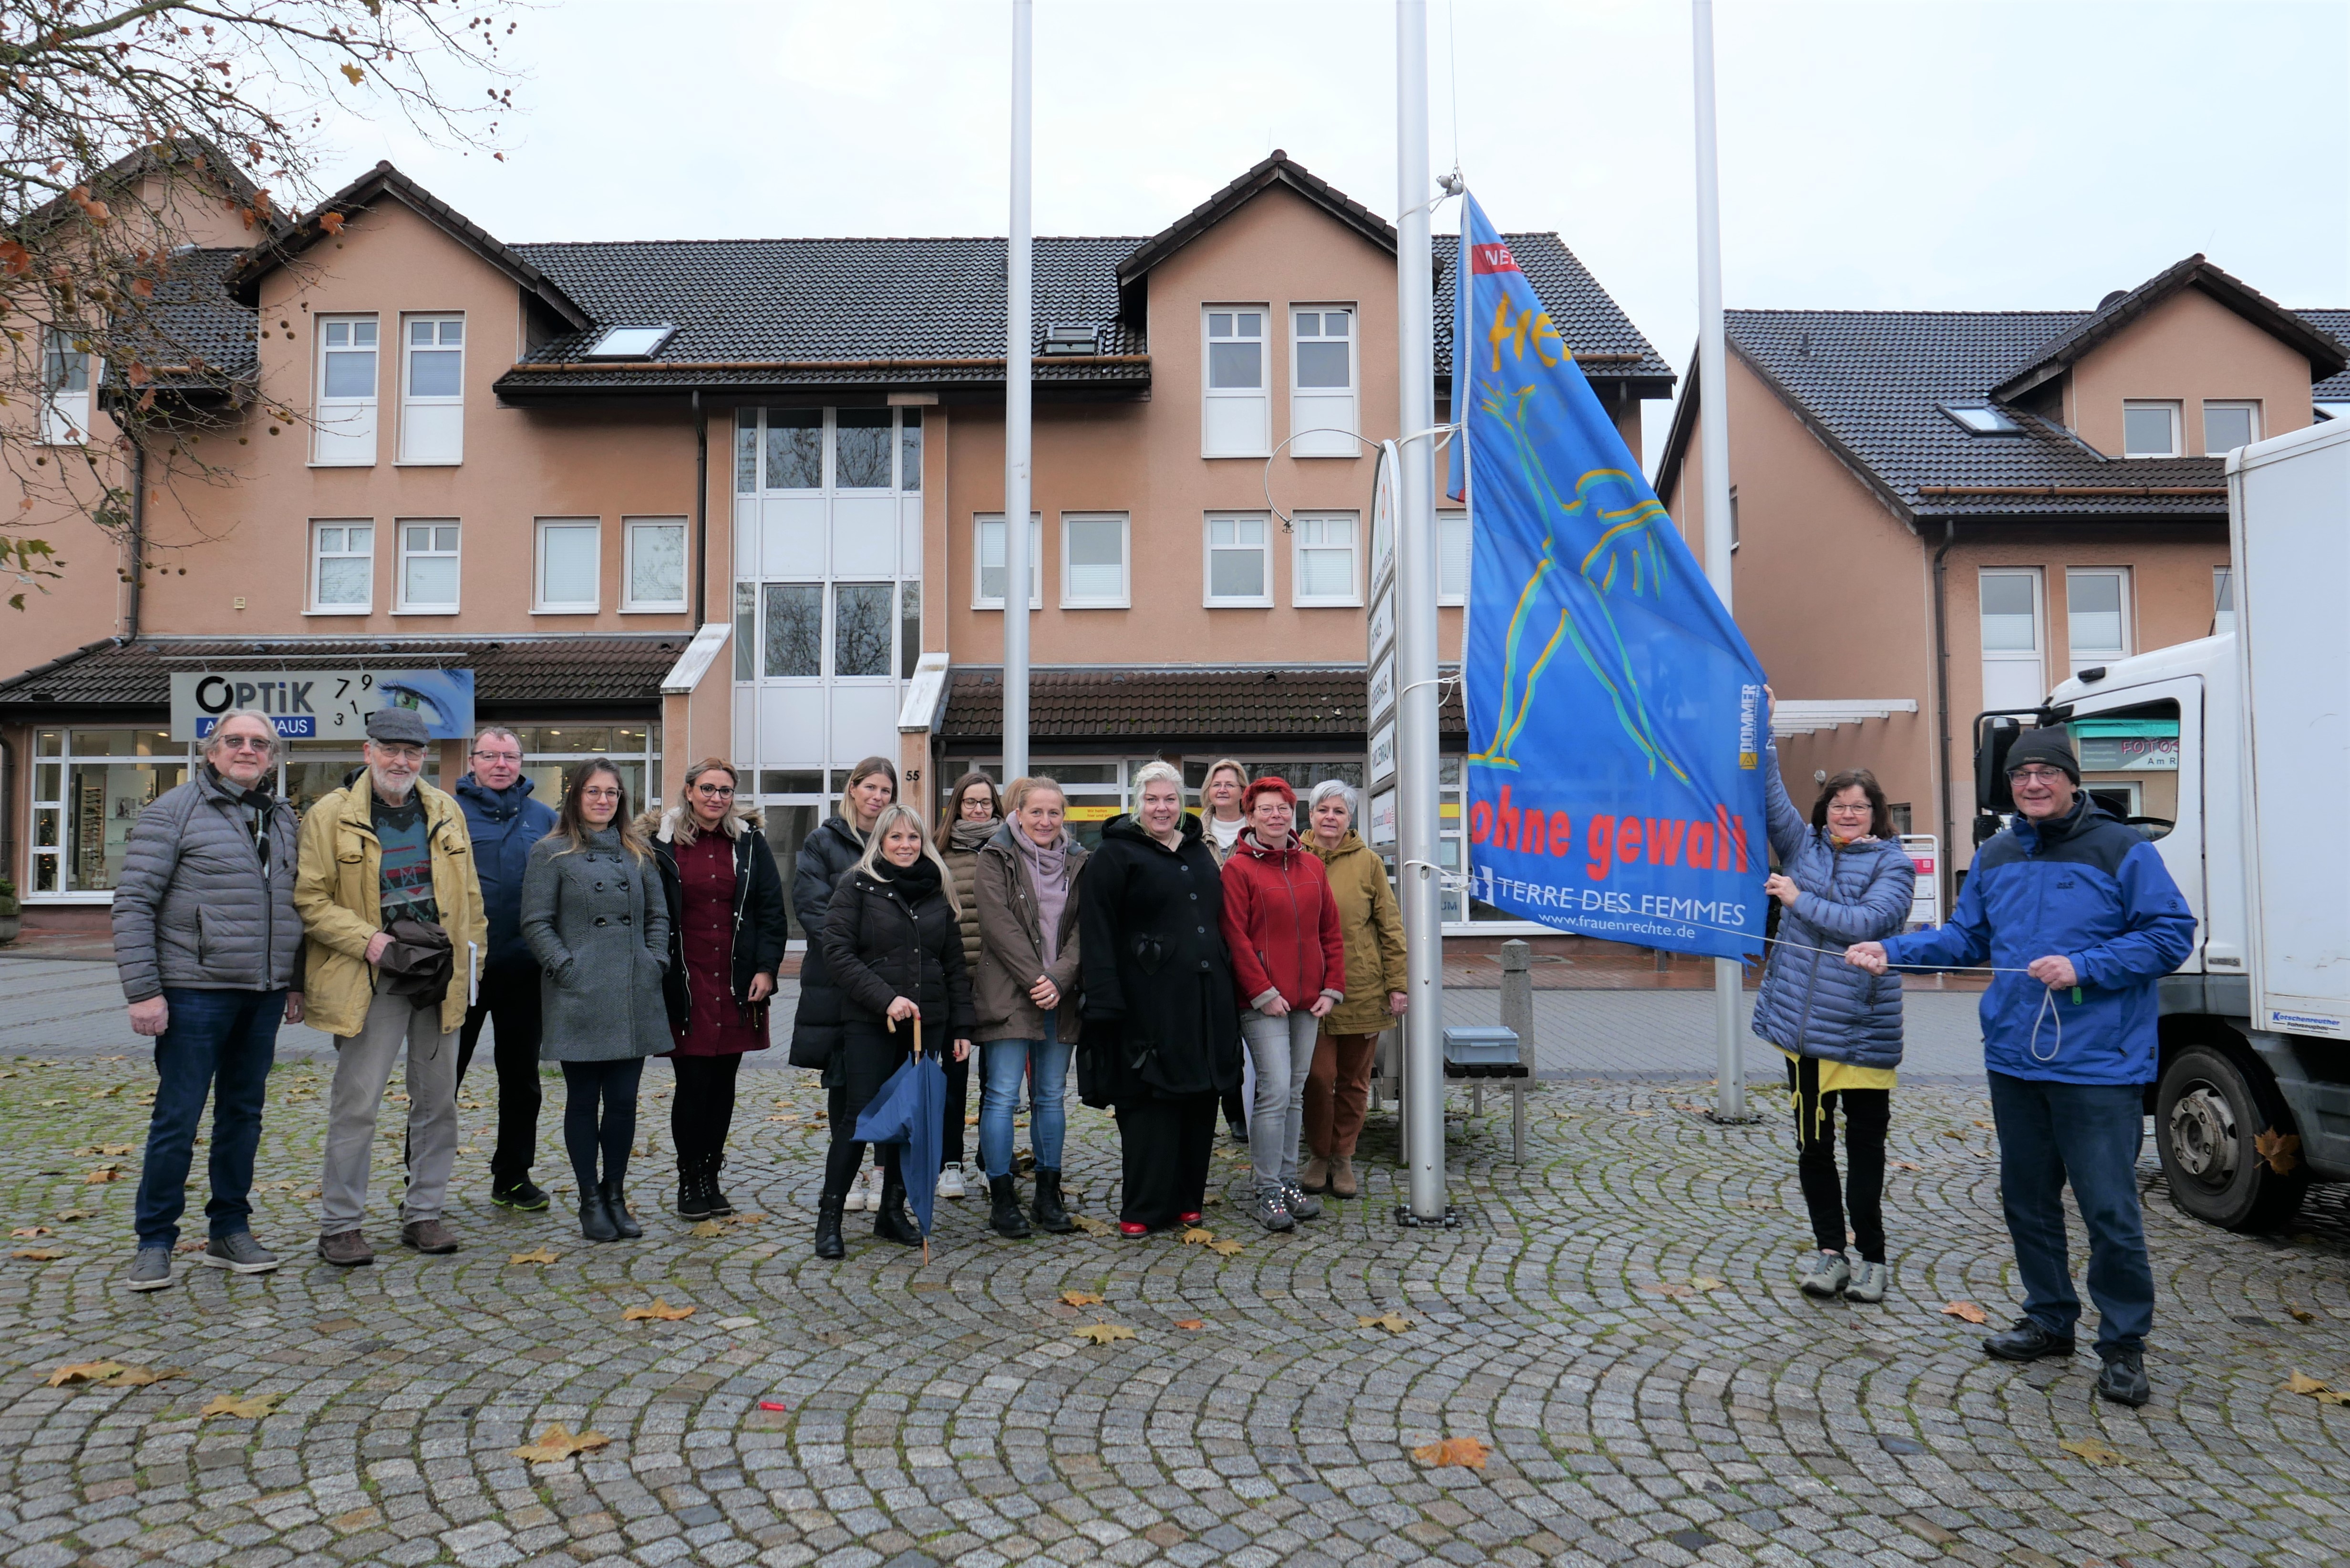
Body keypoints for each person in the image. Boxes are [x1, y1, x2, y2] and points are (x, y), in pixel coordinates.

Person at [1849, 728, 2195, 1408]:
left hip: (2099, 1066)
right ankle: (2048, 1320)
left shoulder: (2123, 848)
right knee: (2028, 1203)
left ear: (2071, 780)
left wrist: (2085, 967)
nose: (2032, 784)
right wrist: (1893, 951)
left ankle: (2123, 1346)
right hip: (2016, 1059)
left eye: (2046, 772)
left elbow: (2170, 934)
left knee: (2109, 1211)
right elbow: (1967, 937)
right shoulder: (1997, 853)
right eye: (2020, 775)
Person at [110, 709, 304, 1292]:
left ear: (272, 756)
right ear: (212, 750)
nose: (248, 750)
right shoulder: (173, 813)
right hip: (193, 993)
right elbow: (132, 904)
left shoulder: (282, 817)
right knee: (178, 1117)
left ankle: (229, 1229)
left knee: (242, 1115)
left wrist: (293, 979)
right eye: (236, 741)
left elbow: (293, 906)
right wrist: (143, 991)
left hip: (262, 994)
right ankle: (155, 1239)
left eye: (259, 743)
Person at [297, 706, 486, 1267]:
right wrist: (370, 942)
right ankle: (340, 1225)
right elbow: (310, 900)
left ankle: (424, 1215)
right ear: (367, 751)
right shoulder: (329, 815)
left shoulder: (446, 809)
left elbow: (470, 899)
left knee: (437, 1104)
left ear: (423, 757)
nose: (401, 761)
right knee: (357, 1103)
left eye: (412, 752)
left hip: (437, 977)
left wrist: (473, 968)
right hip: (371, 975)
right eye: (390, 750)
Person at [1752, 712, 1916, 1305]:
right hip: (1804, 1039)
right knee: (1813, 1149)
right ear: (1823, 811)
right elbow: (1769, 796)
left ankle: (1871, 1257)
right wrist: (1760, 725)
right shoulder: (1802, 847)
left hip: (1861, 1034)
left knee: (1864, 1152)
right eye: (1837, 805)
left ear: (1877, 814)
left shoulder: (1893, 865)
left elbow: (1867, 926)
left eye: (1859, 806)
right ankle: (1830, 1253)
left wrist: (1798, 898)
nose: (1847, 814)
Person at [1078, 762, 1243, 1236]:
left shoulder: (1197, 851)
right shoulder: (1113, 855)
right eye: (1151, 799)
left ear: (1182, 803)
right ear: (1137, 804)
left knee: (1198, 1099)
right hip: (1144, 1003)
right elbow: (1097, 929)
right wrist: (1104, 997)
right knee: (1151, 1104)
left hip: (1203, 1000)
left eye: (1169, 799)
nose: (1161, 808)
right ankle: (1145, 1208)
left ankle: (1188, 1198)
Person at [520, 759, 673, 1243]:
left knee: (624, 1103)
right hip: (578, 994)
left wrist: (655, 962)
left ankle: (615, 1194)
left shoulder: (638, 851)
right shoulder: (550, 852)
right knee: (584, 1102)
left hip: (633, 991)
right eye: (593, 791)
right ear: (575, 796)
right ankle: (590, 1199)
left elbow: (658, 916)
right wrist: (567, 967)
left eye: (611, 792)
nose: (603, 800)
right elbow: (535, 922)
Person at [813, 804, 974, 1258]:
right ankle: (829, 1219)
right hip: (871, 1022)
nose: (906, 846)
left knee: (912, 1120)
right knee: (858, 1120)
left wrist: (962, 1025)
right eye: (896, 838)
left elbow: (954, 965)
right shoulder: (857, 886)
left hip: (929, 1025)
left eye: (913, 838)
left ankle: (892, 1212)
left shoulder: (938, 890)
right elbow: (838, 953)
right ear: (879, 842)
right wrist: (886, 998)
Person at [648, 758, 789, 1220]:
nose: (716, 798)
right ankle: (689, 1179)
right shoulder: (660, 844)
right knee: (692, 1084)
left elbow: (772, 911)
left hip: (736, 981)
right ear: (688, 791)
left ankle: (712, 1175)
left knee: (723, 1084)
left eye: (725, 791)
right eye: (707, 788)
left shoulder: (750, 843)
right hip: (685, 980)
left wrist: (767, 969)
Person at [1220, 776, 1345, 1232]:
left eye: (1284, 808)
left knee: (1295, 1091)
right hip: (1263, 1002)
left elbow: (1330, 931)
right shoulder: (1238, 869)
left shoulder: (1312, 865)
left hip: (1309, 1001)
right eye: (1266, 809)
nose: (1276, 816)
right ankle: (1267, 1187)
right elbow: (1233, 937)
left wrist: (1332, 987)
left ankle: (1289, 1180)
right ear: (1250, 817)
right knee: (1272, 1093)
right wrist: (1262, 992)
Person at [973, 775, 1088, 1238]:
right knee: (1001, 1096)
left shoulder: (1080, 861)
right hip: (1008, 991)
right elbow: (996, 923)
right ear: (1017, 814)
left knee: (1050, 1097)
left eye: (1053, 812)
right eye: (1035, 811)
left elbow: (1086, 927)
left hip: (1059, 996)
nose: (1045, 820)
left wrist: (1059, 978)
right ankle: (1002, 1199)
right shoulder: (994, 856)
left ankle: (1047, 1194)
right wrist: (1037, 979)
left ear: (1064, 816)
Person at [449, 726, 557, 1211]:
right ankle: (422, 1182)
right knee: (440, 1080)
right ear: (473, 761)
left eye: (509, 756)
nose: (500, 765)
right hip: (459, 971)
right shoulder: (447, 814)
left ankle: (512, 1176)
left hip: (524, 969)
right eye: (489, 756)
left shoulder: (544, 819)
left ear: (520, 762)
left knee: (522, 1082)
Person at [790, 755, 897, 1214]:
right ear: (852, 789)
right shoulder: (823, 841)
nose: (877, 797)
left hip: (891, 983)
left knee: (890, 1081)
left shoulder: (900, 839)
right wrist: (850, 955)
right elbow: (811, 907)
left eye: (886, 791)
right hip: (837, 980)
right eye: (870, 787)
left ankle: (882, 1174)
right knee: (844, 1082)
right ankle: (847, 1174)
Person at [1299, 781, 1405, 1202]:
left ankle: (1343, 1156)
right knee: (1316, 1078)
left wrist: (1398, 984)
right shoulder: (1294, 857)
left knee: (1355, 1082)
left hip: (1362, 988)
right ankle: (1318, 1154)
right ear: (1310, 815)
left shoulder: (1369, 863)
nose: (1330, 817)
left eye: (1339, 811)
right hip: (1309, 992)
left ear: (1351, 818)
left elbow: (1390, 927)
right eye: (1323, 809)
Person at [934, 770, 1002, 1201]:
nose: (978, 810)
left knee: (997, 1083)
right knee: (952, 1079)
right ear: (956, 806)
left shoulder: (1010, 850)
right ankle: (950, 1164)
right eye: (970, 802)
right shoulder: (938, 855)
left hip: (999, 985)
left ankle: (989, 1163)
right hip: (953, 985)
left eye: (985, 803)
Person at [1196, 757, 1252, 1142]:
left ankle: (1246, 1110)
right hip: (1206, 942)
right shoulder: (1192, 833)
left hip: (1251, 942)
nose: (1222, 789)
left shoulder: (1258, 830)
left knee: (1248, 1034)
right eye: (1216, 783)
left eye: (1230, 784)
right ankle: (1217, 1109)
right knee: (1212, 1032)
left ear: (1243, 791)